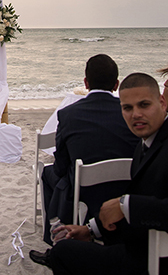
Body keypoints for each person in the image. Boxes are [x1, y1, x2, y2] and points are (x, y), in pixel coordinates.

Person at [48, 72, 168, 275]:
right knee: (69, 248)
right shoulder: (144, 145)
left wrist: (126, 205)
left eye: (144, 105)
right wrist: (91, 230)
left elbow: (140, 206)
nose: (135, 114)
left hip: (154, 264)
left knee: (64, 256)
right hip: (141, 250)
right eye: (127, 108)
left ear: (162, 103)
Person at [31, 54, 139, 260]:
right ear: (116, 84)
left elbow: (61, 165)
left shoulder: (69, 114)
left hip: (84, 192)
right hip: (125, 191)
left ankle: (56, 241)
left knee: (48, 174)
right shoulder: (130, 114)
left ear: (86, 83)